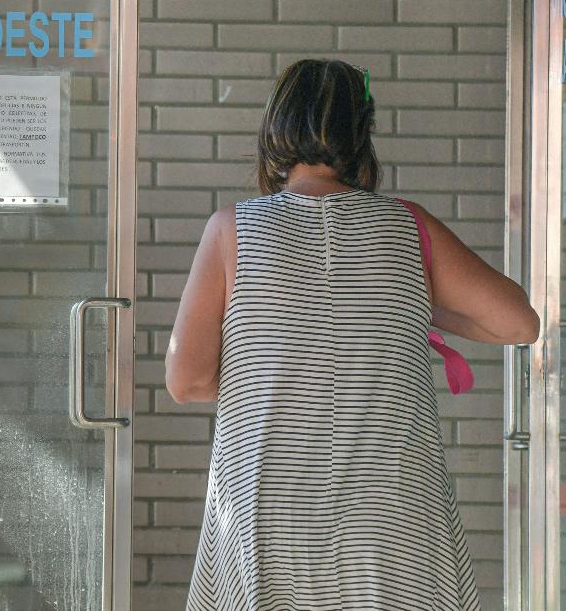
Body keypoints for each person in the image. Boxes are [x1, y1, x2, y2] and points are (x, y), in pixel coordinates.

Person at [167, 58, 539, 611]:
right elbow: (517, 323)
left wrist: (288, 372)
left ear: (275, 130)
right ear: (361, 135)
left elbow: (188, 379)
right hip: (396, 523)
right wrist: (407, 305)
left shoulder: (234, 228)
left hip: (270, 516)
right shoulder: (408, 225)